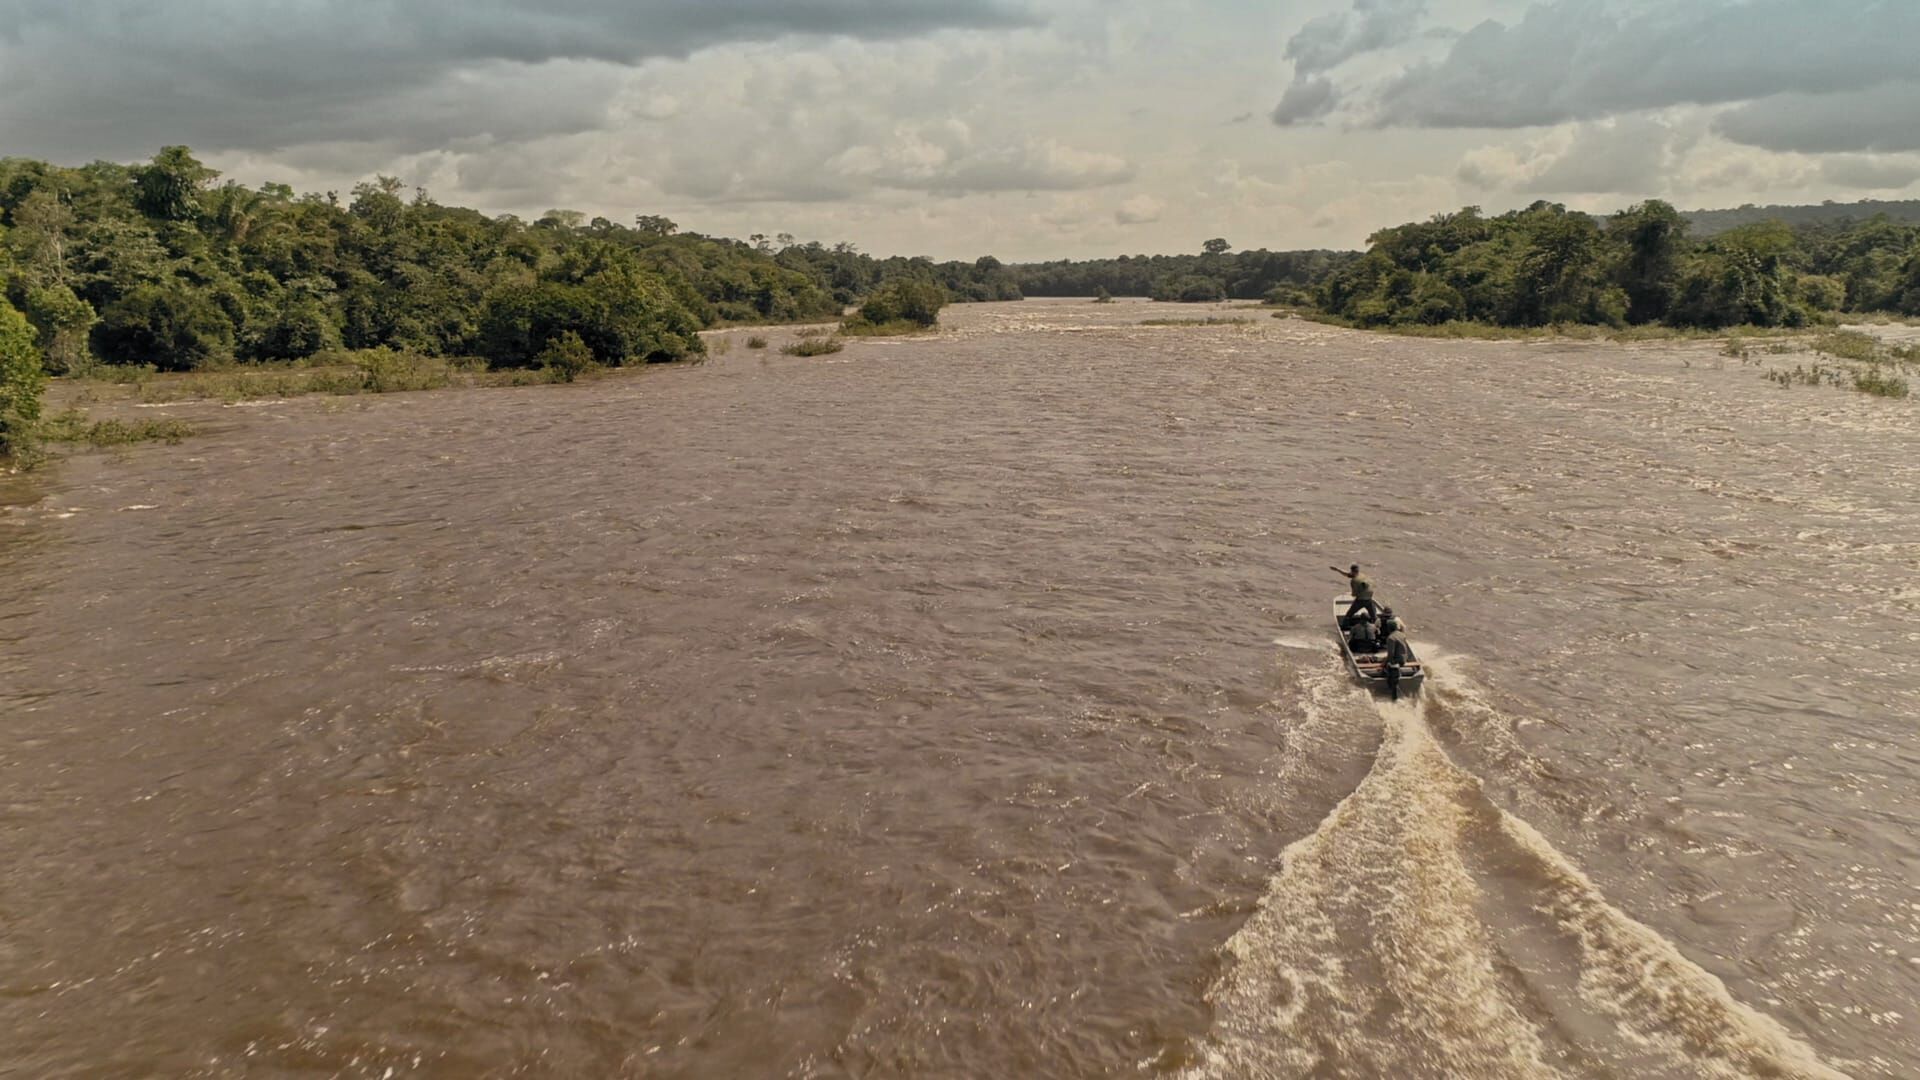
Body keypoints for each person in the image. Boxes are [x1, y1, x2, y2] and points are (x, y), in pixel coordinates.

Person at [1382, 621, 1414, 701]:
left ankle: (1393, 690)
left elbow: (1390, 655)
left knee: (1388, 667)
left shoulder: (1391, 638)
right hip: (1404, 659)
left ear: (1389, 628)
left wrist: (1384, 664)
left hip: (1397, 661)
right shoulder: (1402, 635)